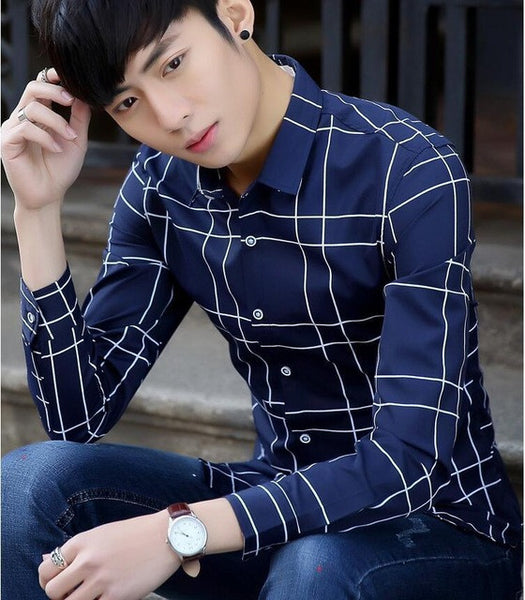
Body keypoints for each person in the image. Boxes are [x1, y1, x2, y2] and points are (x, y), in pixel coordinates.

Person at [1, 0, 521, 598]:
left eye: (172, 64)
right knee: (26, 488)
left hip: (438, 524)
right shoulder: (161, 186)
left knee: (316, 569)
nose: (170, 115)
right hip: (272, 506)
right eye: (127, 103)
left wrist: (179, 533)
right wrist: (36, 209)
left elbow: (407, 459)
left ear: (234, 13)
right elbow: (77, 417)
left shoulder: (407, 170)